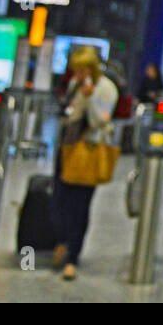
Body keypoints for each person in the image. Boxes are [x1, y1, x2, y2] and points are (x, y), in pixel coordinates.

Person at [50, 46, 117, 281]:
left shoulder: (106, 88)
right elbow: (69, 111)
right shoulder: (74, 85)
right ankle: (61, 240)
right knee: (59, 199)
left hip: (89, 150)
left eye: (81, 70)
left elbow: (101, 121)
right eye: (74, 70)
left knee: (80, 205)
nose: (77, 74)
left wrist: (89, 100)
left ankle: (72, 258)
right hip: (67, 147)